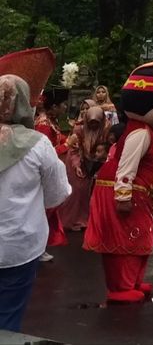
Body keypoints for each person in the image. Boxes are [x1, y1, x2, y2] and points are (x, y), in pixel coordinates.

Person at [84, 62, 153, 303]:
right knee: (121, 242)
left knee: (140, 236)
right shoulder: (139, 133)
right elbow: (126, 166)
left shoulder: (152, 132)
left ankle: (133, 281)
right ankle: (120, 286)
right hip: (125, 193)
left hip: (141, 196)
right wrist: (122, 196)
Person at [0, 73, 71, 332]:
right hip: (20, 245)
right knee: (8, 316)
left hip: (20, 246)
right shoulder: (38, 144)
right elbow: (57, 193)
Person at [58, 104, 107, 231]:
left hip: (94, 162)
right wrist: (77, 165)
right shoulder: (79, 129)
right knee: (76, 190)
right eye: (91, 123)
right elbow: (74, 149)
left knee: (87, 191)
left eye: (97, 123)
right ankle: (70, 220)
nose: (94, 126)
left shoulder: (105, 129)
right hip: (76, 161)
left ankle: (83, 219)